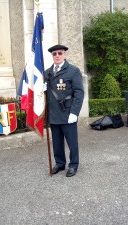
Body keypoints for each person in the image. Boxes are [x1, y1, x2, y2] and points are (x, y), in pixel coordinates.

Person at [45, 44, 84, 177]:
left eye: (59, 53)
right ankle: (60, 163)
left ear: (64, 55)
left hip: (68, 113)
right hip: (54, 113)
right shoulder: (47, 72)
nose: (57, 56)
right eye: (54, 54)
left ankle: (73, 165)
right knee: (56, 142)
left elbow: (79, 93)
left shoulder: (73, 71)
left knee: (72, 142)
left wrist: (74, 112)